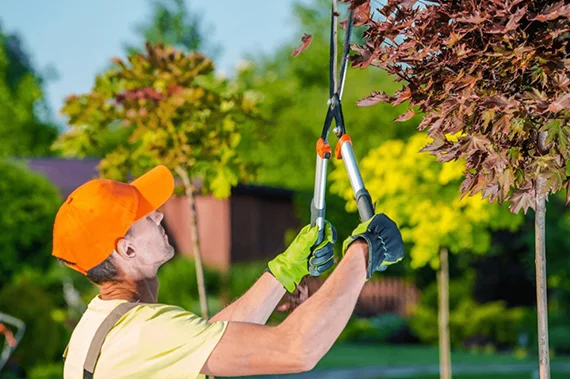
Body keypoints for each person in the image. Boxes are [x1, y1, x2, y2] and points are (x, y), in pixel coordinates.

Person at [53, 165, 404, 379]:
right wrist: (365, 252)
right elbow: (296, 350)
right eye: (145, 216)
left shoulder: (106, 324)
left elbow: (207, 338)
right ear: (126, 249)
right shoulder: (144, 332)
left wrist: (285, 269)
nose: (159, 216)